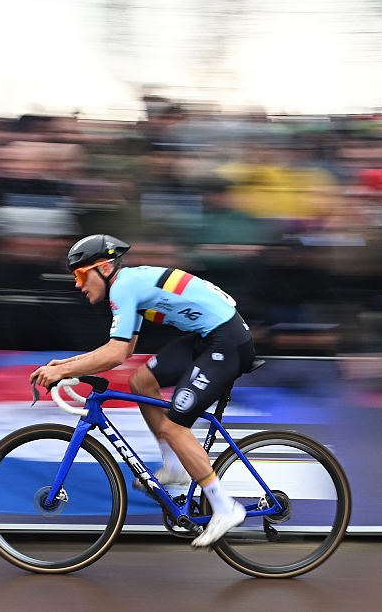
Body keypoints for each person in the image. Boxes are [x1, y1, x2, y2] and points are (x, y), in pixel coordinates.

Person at [29, 233, 255, 548]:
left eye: (81, 274)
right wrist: (67, 363)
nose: (78, 284)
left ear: (104, 268)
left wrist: (63, 371)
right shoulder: (127, 285)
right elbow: (121, 348)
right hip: (209, 336)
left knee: (176, 426)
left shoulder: (123, 288)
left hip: (226, 342)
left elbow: (115, 355)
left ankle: (224, 506)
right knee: (141, 381)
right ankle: (175, 467)